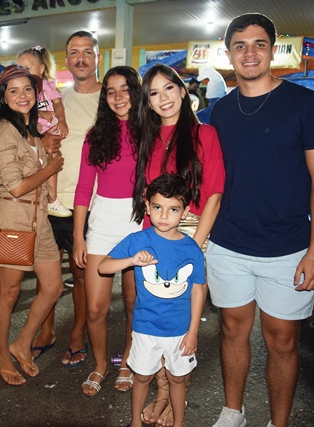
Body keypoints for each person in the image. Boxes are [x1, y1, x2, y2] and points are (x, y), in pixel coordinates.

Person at [207, 13, 314, 427]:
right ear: (229, 54)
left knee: (282, 341)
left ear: (273, 49)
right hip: (228, 244)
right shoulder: (219, 112)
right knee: (232, 330)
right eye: (240, 45)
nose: (250, 53)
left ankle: (278, 423)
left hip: (288, 247)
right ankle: (233, 412)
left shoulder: (306, 105)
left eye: (259, 44)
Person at [133, 63, 225, 426]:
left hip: (192, 234)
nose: (163, 98)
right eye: (154, 93)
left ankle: (176, 396)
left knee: (184, 322)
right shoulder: (149, 139)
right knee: (158, 318)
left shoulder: (205, 134)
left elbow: (214, 194)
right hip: (155, 236)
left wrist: (193, 248)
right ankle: (162, 393)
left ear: (183, 91)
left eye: (169, 88)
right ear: (148, 102)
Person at [99, 173, 207, 427]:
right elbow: (103, 266)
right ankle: (136, 422)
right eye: (157, 207)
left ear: (185, 212)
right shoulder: (138, 241)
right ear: (147, 207)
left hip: (180, 330)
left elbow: (198, 291)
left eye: (173, 209)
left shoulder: (192, 248)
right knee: (142, 377)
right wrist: (131, 260)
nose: (164, 215)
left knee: (177, 379)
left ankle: (178, 423)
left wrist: (193, 332)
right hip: (145, 327)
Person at [30, 30, 102, 369]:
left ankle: (77, 334)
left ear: (98, 57)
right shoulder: (54, 96)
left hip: (90, 202)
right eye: (74, 52)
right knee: (46, 274)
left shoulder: (111, 98)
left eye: (87, 51)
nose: (81, 58)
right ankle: (46, 331)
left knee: (81, 273)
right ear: (66, 59)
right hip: (50, 198)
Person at [0, 65, 64, 386]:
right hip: (14, 215)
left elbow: (50, 190)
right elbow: (17, 186)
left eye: (28, 89)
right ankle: (0, 354)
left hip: (39, 216)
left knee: (54, 286)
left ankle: (22, 343)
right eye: (14, 90)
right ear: (3, 97)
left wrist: (50, 159)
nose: (22, 95)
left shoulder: (32, 131)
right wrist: (51, 168)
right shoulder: (5, 129)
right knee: (8, 293)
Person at [72, 66, 143, 395]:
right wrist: (78, 237)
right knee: (95, 307)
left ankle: (127, 361)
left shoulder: (150, 131)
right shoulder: (96, 135)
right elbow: (83, 189)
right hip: (101, 226)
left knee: (133, 303)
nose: (118, 96)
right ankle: (100, 365)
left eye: (125, 89)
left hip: (138, 224)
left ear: (136, 92)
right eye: (111, 91)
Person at [16, 45, 71, 218]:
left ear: (41, 68)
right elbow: (20, 110)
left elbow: (58, 104)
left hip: (49, 129)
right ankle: (48, 198)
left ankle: (51, 199)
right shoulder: (23, 90)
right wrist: (39, 113)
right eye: (19, 68)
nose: (23, 72)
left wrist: (61, 120)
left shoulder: (47, 86)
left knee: (53, 159)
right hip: (33, 131)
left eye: (27, 68)